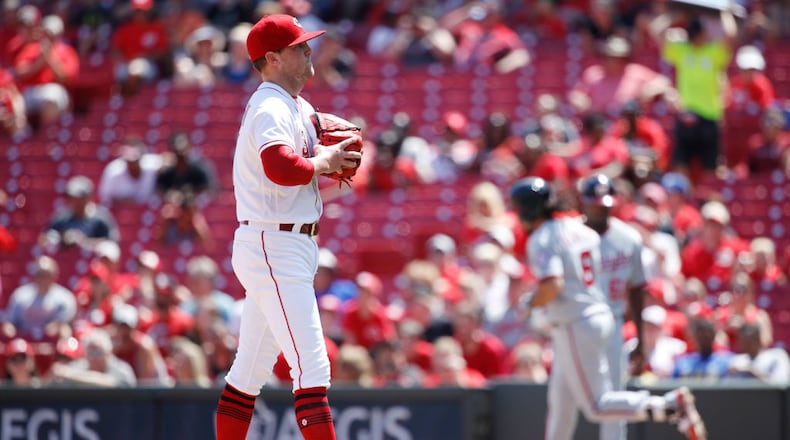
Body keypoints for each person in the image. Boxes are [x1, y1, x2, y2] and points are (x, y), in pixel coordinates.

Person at [214, 14, 361, 440]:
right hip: (273, 242)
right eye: (299, 46)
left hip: (283, 242)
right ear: (273, 58)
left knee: (250, 370)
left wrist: (328, 159)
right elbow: (280, 167)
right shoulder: (269, 106)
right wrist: (325, 163)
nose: (308, 50)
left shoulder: (296, 105)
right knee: (311, 367)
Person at [509, 176, 707, 440]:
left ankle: (668, 406)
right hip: (598, 315)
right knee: (561, 403)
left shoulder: (543, 238)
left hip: (576, 322)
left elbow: (553, 286)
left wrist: (529, 303)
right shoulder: (578, 229)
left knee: (597, 405)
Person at [579, 174, 649, 440]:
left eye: (604, 204)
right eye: (595, 204)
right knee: (568, 400)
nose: (600, 209)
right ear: (584, 203)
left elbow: (637, 289)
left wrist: (641, 339)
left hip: (613, 324)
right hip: (578, 326)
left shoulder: (628, 238)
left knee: (614, 397)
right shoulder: (570, 236)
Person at [4, 255, 76, 341]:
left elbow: (64, 322)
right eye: (40, 274)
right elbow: (10, 322)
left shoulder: (64, 297)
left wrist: (56, 326)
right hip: (23, 342)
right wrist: (9, 329)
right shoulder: (20, 295)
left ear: (54, 276)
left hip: (52, 340)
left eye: (46, 275)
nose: (43, 279)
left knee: (65, 330)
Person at [98, 137, 162, 207]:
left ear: (141, 158)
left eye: (135, 160)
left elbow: (168, 161)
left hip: (149, 211)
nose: (132, 164)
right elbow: (105, 198)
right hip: (121, 212)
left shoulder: (153, 165)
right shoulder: (113, 171)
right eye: (129, 161)